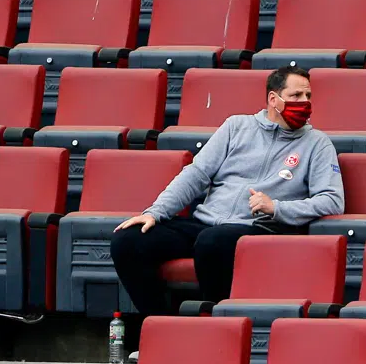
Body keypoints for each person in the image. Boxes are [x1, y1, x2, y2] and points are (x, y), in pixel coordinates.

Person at [110, 67, 344, 315]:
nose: (305, 102)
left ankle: (216, 326)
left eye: (308, 96)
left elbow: (332, 200)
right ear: (274, 99)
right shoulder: (236, 126)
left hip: (258, 229)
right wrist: (155, 212)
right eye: (296, 95)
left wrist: (277, 208)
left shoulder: (317, 143)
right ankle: (163, 326)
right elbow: (196, 174)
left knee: (212, 242)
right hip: (206, 224)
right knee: (128, 239)